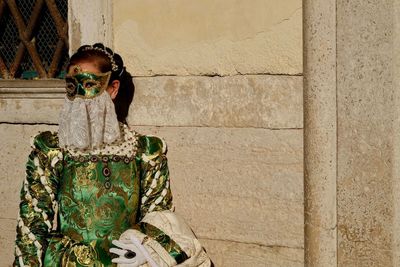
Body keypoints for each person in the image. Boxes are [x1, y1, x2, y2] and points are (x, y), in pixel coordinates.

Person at [14, 43, 211, 267]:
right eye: (71, 86)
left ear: (113, 89)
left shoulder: (144, 151)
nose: (78, 96)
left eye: (88, 85)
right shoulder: (52, 149)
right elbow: (33, 220)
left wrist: (144, 251)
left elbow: (158, 215)